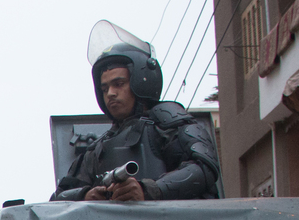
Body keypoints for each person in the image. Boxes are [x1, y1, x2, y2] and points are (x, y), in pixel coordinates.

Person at [53, 20, 221, 202]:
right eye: (104, 88)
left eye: (119, 84)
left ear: (141, 81)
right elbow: (59, 198)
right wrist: (85, 195)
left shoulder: (167, 121)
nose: (110, 94)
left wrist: (149, 190)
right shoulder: (98, 148)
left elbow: (204, 168)